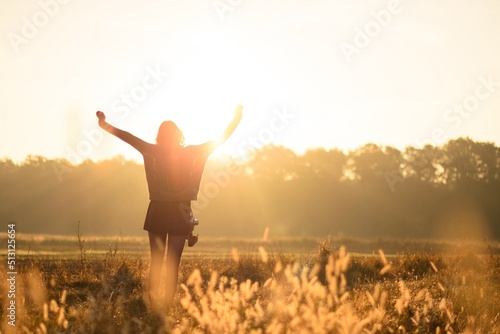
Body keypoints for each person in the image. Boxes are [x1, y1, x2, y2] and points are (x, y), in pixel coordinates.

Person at [96, 106, 242, 310]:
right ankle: (166, 306)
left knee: (157, 261)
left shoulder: (151, 151)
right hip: (181, 212)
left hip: (157, 210)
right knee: (173, 263)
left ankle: (153, 305)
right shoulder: (193, 153)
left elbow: (127, 136)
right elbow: (220, 139)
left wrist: (104, 125)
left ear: (159, 136)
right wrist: (237, 118)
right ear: (178, 136)